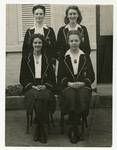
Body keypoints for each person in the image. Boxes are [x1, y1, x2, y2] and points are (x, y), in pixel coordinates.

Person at [57, 30, 95, 144]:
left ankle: (75, 127)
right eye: (71, 41)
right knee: (72, 95)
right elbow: (60, 77)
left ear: (80, 41)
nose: (74, 43)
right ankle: (74, 128)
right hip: (68, 86)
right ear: (68, 42)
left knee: (82, 94)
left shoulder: (85, 56)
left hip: (82, 86)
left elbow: (91, 76)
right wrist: (69, 84)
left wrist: (83, 83)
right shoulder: (64, 57)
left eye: (76, 40)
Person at [20, 34, 56, 143]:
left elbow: (52, 78)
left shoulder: (47, 58)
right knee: (37, 96)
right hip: (31, 86)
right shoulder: (26, 58)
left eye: (39, 42)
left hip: (44, 85)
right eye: (35, 42)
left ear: (43, 44)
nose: (37, 45)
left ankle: (38, 127)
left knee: (43, 96)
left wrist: (45, 85)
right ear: (31, 44)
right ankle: (42, 128)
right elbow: (22, 78)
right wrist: (32, 86)